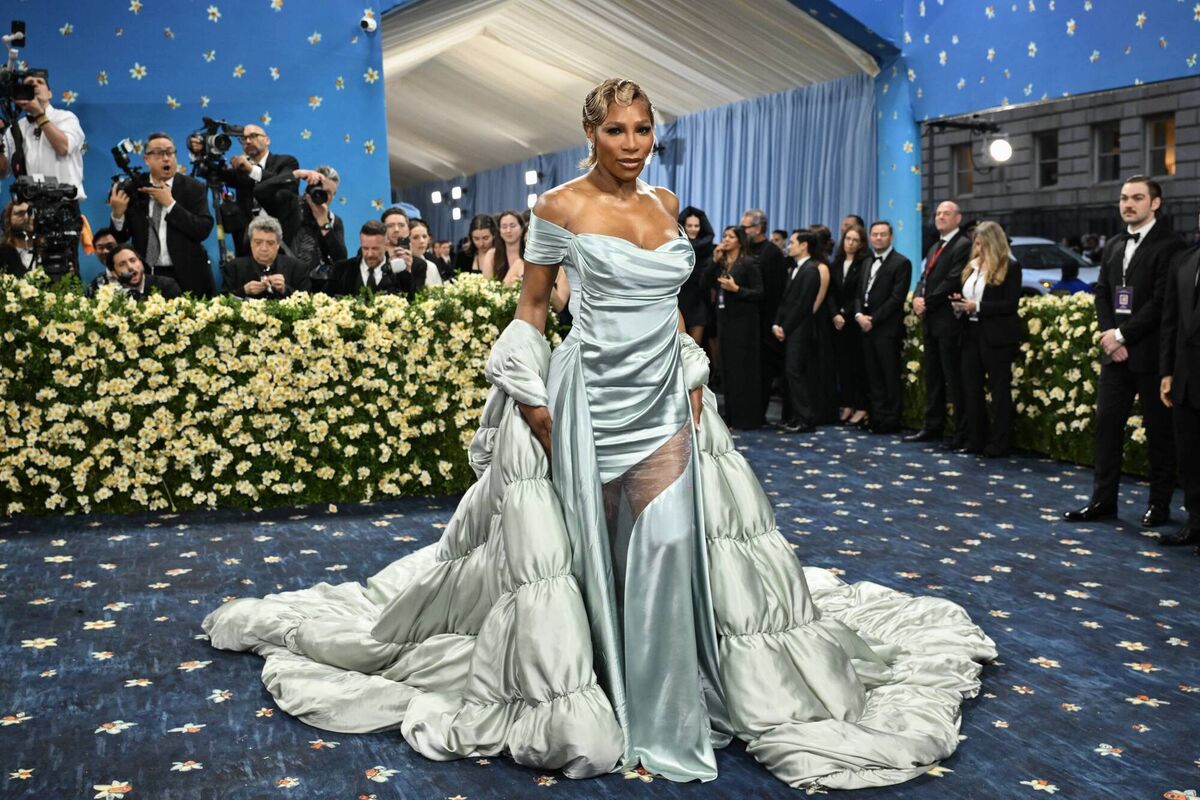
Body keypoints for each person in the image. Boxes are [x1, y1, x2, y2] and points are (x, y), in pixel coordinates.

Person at [203, 77, 994, 792]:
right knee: (597, 551)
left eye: (643, 129)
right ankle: (612, 684)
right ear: (591, 133)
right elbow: (532, 307)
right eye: (617, 130)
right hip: (587, 397)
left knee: (668, 543)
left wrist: (691, 367)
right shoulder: (558, 207)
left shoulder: (664, 203)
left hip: (664, 395)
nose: (632, 143)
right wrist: (530, 398)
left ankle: (665, 711)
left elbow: (671, 308)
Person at [1064, 176, 1185, 526]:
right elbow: (1102, 292)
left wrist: (1121, 335)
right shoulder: (1116, 243)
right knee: (1106, 429)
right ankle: (1103, 501)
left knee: (1159, 433)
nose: (1128, 204)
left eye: (1137, 198)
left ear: (1155, 203)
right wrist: (1108, 335)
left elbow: (1161, 302)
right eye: (1123, 198)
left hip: (1151, 356)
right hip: (1114, 355)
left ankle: (1159, 506)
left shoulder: (1171, 244)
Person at [108, 132, 215, 297]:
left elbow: (202, 230)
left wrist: (171, 204)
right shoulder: (134, 188)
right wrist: (117, 215)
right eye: (159, 153)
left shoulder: (193, 187)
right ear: (146, 159)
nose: (166, 158)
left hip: (187, 274)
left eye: (170, 152)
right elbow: (120, 239)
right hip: (146, 275)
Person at [953, 221, 1024, 457]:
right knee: (971, 388)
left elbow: (1010, 304)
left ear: (994, 243)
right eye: (976, 243)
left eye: (982, 244)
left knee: (999, 390)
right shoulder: (971, 266)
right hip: (969, 333)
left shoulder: (1010, 267)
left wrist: (978, 306)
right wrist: (960, 305)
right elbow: (967, 297)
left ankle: (1000, 442)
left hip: (996, 336)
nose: (978, 248)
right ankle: (975, 439)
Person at [907, 201, 972, 447]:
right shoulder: (935, 245)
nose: (940, 217)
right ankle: (932, 426)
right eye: (938, 213)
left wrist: (927, 301)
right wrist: (916, 298)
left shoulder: (963, 245)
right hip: (931, 320)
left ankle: (960, 431)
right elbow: (924, 278)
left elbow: (953, 280)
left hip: (948, 321)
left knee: (953, 378)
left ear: (958, 218)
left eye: (946, 213)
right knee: (932, 377)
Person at [1159, 221, 1200, 552]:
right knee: (1189, 456)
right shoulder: (1184, 260)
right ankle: (1195, 523)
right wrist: (1167, 373)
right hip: (1185, 378)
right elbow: (1170, 322)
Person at [206, 123, 300, 258]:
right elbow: (213, 173)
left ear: (267, 140)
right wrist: (202, 152)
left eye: (253, 136)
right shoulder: (239, 170)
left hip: (283, 244)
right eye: (244, 139)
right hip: (248, 247)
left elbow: (282, 182)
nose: (248, 141)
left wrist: (252, 170)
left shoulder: (286, 161)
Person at [855, 221, 912, 433]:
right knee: (872, 376)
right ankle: (876, 417)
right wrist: (859, 315)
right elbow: (859, 293)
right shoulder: (867, 261)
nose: (878, 238)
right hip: (865, 327)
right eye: (875, 234)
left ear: (891, 237)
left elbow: (896, 298)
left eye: (883, 234)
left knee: (889, 376)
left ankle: (891, 420)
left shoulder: (901, 262)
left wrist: (873, 319)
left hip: (886, 329)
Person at [0, 70, 86, 199]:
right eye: (29, 83)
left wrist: (38, 114)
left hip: (64, 203)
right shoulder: (15, 128)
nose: (35, 85)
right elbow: (2, 172)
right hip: (29, 205)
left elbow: (64, 147)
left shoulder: (66, 118)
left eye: (40, 82)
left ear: (50, 93)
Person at [709, 224, 763, 429]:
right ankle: (730, 416)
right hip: (724, 321)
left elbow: (759, 293)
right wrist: (714, 261)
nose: (726, 240)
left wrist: (737, 289)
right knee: (727, 370)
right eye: (724, 236)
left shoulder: (748, 262)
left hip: (743, 324)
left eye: (730, 237)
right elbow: (704, 283)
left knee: (741, 370)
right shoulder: (723, 263)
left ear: (740, 241)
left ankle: (744, 418)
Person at [740, 208, 787, 423]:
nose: (742, 231)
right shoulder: (745, 249)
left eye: (745, 227)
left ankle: (758, 413)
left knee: (764, 370)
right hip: (747, 321)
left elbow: (776, 291)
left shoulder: (772, 253)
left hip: (766, 322)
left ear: (758, 229)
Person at [772, 230, 821, 432]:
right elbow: (785, 300)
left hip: (800, 330)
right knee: (789, 373)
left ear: (804, 245)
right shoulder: (796, 268)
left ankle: (805, 419)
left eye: (792, 242)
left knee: (795, 373)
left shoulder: (811, 270)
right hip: (790, 329)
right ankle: (794, 417)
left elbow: (803, 305)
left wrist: (785, 327)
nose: (789, 246)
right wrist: (777, 323)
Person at [828, 223, 870, 425]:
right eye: (848, 239)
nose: (851, 243)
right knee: (842, 365)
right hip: (838, 322)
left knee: (858, 366)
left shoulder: (864, 264)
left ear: (861, 244)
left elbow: (859, 293)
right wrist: (835, 313)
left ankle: (861, 406)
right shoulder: (836, 263)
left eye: (855, 240)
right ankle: (847, 404)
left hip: (855, 321)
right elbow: (830, 293)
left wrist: (846, 312)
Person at [220, 216, 309, 299]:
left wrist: (284, 289)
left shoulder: (298, 268)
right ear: (250, 242)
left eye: (270, 243)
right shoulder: (234, 268)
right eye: (258, 242)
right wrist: (244, 291)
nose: (264, 248)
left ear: (278, 244)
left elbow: (307, 302)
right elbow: (222, 302)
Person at [290, 166, 347, 289]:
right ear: (309, 188)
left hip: (315, 285)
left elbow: (341, 260)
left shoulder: (334, 221)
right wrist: (297, 174)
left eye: (329, 193)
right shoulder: (290, 207)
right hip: (286, 279)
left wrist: (323, 221)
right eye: (321, 190)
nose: (324, 195)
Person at [327, 220, 411, 297]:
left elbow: (411, 300)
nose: (370, 254)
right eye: (365, 248)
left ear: (386, 245)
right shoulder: (341, 269)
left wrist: (406, 273)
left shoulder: (400, 273)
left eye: (375, 248)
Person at [678, 205, 714, 346]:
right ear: (683, 226)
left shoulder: (709, 247)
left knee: (695, 345)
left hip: (699, 298)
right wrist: (691, 210)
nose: (693, 229)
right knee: (678, 344)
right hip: (680, 296)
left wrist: (698, 213)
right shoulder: (677, 245)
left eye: (697, 225)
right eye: (689, 225)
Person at [105, 244, 182, 301]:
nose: (130, 267)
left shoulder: (166, 285)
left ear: (141, 263)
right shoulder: (111, 296)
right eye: (122, 264)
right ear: (114, 273)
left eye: (133, 260)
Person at [483, 210, 526, 285]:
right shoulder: (491, 255)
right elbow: (487, 286)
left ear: (521, 228)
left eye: (513, 226)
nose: (508, 230)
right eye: (504, 227)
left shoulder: (530, 254)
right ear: (499, 231)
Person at [0, 200, 35, 277]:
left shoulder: (49, 250)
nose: (26, 217)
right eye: (20, 213)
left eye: (30, 212)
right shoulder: (2, 254)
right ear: (8, 219)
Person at [85, 227, 120, 295]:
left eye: (110, 246)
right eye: (100, 248)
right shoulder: (95, 286)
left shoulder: (135, 277)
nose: (105, 251)